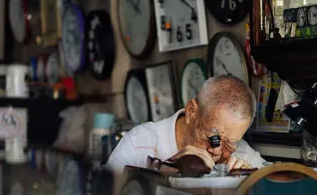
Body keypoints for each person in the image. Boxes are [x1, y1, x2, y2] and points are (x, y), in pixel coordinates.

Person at [106, 75, 266, 175]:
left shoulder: (243, 155)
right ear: (191, 112)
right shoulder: (140, 143)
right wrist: (169, 167)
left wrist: (249, 183)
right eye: (212, 137)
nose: (217, 151)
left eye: (230, 144)